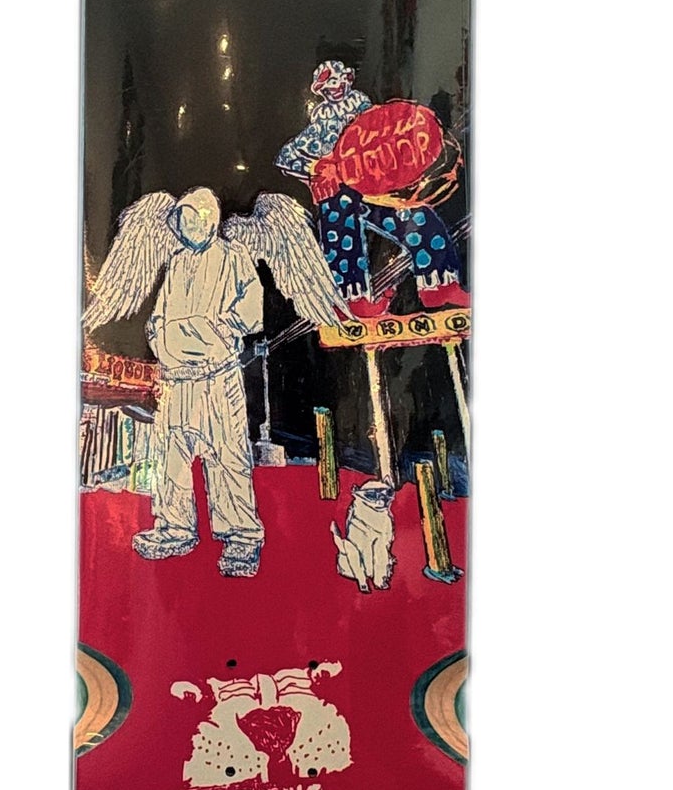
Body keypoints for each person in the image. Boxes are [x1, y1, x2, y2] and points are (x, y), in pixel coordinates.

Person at [137, 188, 265, 577]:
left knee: (227, 455)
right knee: (171, 457)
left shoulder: (233, 256)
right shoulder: (176, 263)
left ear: (211, 218)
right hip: (177, 380)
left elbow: (252, 307)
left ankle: (242, 536)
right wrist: (160, 338)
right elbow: (158, 315)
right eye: (183, 219)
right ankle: (174, 527)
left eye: (196, 217)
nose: (190, 225)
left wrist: (220, 330)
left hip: (217, 377)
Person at [276, 61, 469, 315]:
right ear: (321, 90)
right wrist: (318, 169)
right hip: (339, 194)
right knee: (342, 236)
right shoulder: (320, 125)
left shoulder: (365, 110)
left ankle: (439, 285)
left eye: (339, 80)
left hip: (373, 188)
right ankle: (351, 300)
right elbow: (286, 157)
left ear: (347, 80)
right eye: (329, 83)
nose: (335, 87)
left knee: (416, 216)